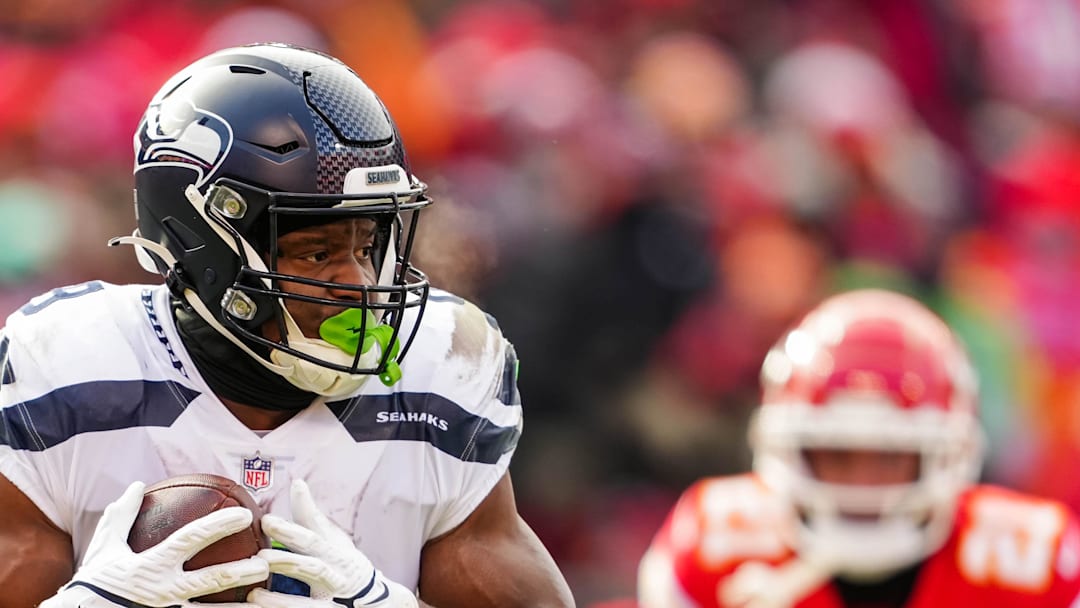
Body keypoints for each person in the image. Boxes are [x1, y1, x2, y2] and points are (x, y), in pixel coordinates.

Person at [0, 43, 575, 608]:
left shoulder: (441, 371)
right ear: (203, 250)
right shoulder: (68, 372)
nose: (359, 285)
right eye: (316, 253)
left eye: (367, 244)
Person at [637, 289, 1080, 608]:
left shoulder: (1035, 564)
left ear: (947, 455)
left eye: (889, 457)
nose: (862, 485)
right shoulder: (713, 547)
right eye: (837, 455)